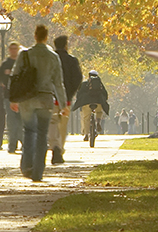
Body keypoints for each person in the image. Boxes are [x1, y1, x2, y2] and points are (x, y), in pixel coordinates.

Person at [9, 25, 66, 181]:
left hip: (28, 98)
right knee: (42, 135)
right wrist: (63, 104)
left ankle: (27, 166)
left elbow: (15, 76)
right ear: (46, 37)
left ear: (35, 36)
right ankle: (38, 170)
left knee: (29, 131)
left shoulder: (25, 54)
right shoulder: (53, 56)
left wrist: (13, 98)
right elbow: (58, 83)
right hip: (46, 98)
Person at [49, 35, 82, 164]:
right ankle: (60, 149)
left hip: (51, 96)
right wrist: (71, 93)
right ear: (66, 45)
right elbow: (78, 78)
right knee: (63, 125)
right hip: (66, 97)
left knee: (52, 122)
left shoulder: (50, 59)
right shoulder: (72, 61)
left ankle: (54, 146)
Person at [0, 41, 24, 153]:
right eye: (11, 48)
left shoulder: (23, 63)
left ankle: (24, 143)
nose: (13, 50)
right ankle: (12, 145)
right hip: (9, 96)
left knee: (22, 121)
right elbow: (1, 77)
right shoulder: (6, 64)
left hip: (22, 96)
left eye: (15, 48)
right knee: (12, 121)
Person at [71, 70, 109, 142]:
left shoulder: (84, 84)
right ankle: (98, 121)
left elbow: (78, 94)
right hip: (98, 102)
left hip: (87, 103)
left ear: (89, 76)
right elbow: (105, 94)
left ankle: (86, 134)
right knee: (99, 112)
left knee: (86, 118)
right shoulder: (100, 85)